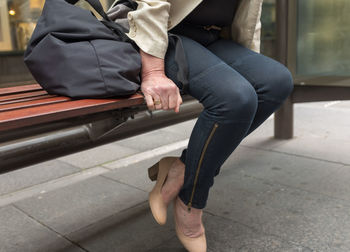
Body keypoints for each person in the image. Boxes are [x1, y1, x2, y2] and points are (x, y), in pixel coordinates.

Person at [122, 0, 294, 251]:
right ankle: (191, 205)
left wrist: (247, 69)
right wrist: (153, 72)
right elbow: (151, 3)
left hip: (210, 36)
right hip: (165, 32)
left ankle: (181, 168)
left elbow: (249, 16)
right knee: (235, 99)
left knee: (276, 82)